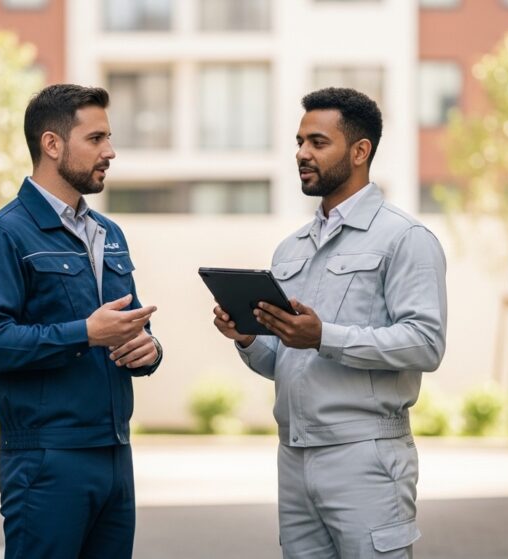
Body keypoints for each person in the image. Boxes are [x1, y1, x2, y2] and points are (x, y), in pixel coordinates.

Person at [212, 87, 447, 558]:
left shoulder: (405, 238)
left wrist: (325, 337)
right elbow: (283, 360)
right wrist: (248, 339)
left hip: (365, 457)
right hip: (294, 457)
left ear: (360, 152)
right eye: (300, 142)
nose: (302, 153)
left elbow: (425, 343)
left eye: (318, 143)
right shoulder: (290, 249)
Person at [0, 84, 163, 559]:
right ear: (52, 144)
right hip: (45, 459)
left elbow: (129, 326)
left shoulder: (109, 234)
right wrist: (85, 334)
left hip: (115, 453)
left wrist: (150, 350)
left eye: (108, 138)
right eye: (95, 139)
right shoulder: (3, 236)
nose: (110, 151)